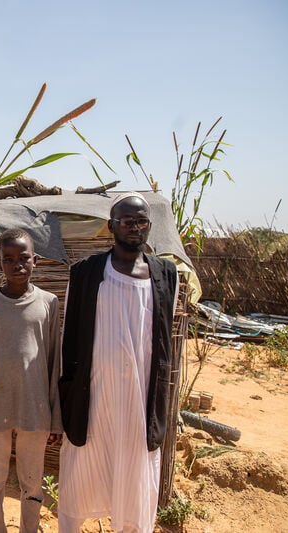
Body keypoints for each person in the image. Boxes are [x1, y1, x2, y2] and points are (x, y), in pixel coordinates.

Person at [57, 192, 179, 533]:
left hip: (140, 399)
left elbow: (162, 340)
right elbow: (71, 339)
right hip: (94, 396)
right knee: (82, 471)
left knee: (135, 473)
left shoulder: (165, 275)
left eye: (141, 221)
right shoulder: (86, 273)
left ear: (149, 227)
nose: (135, 227)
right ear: (112, 225)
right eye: (127, 221)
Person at [0, 229, 62, 533]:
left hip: (35, 411)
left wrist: (55, 419)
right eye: (9, 259)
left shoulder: (49, 303)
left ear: (35, 260)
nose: (17, 264)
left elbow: (53, 361)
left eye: (23, 258)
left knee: (32, 485)